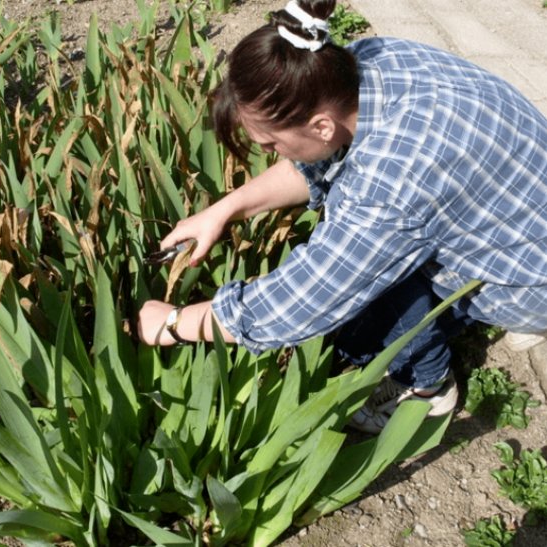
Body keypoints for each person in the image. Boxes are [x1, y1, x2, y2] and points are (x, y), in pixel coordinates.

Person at [136, 0, 547, 432]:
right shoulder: (369, 60)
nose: (266, 154)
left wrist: (174, 324)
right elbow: (316, 164)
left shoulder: (394, 183)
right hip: (517, 210)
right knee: (365, 249)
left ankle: (427, 388)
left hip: (527, 275)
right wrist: (223, 211)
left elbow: (303, 302)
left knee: (355, 320)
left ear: (321, 127)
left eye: (271, 145)